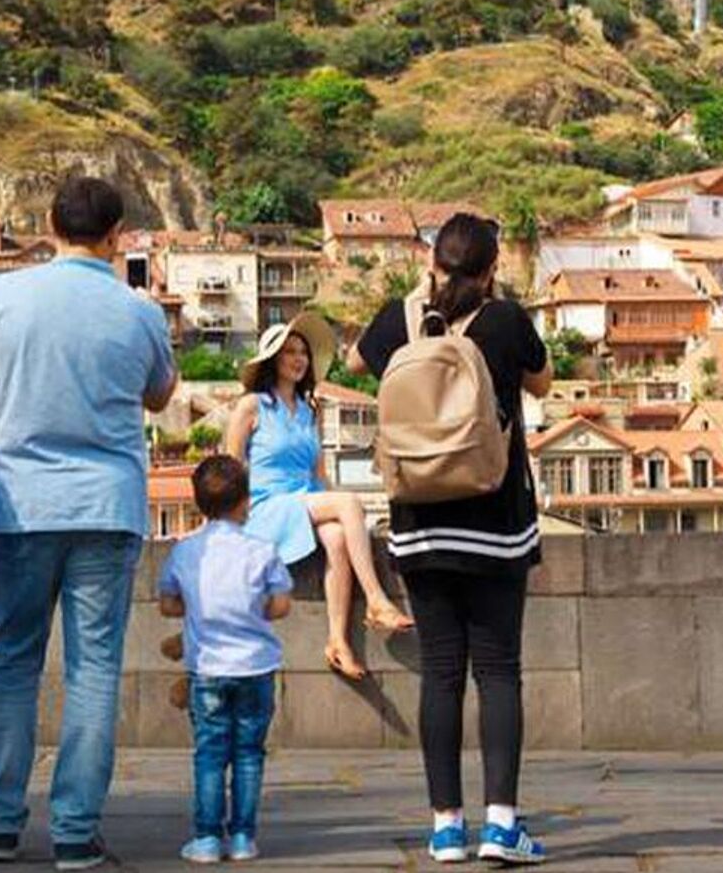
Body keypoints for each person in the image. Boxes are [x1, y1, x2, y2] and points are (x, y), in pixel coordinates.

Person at [0, 177, 179, 872]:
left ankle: (0, 825)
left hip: (19, 505)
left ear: (48, 225)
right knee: (94, 669)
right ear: (117, 236)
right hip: (107, 507)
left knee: (15, 661)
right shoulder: (138, 310)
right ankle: (76, 833)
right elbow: (161, 394)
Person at [348, 212, 552, 866]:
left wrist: (418, 301)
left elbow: (354, 360)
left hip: (420, 520)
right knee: (498, 670)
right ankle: (502, 826)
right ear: (493, 269)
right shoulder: (505, 320)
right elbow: (542, 382)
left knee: (440, 672)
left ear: (433, 263)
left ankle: (444, 828)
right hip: (496, 519)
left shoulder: (402, 319)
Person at [223, 313, 413, 682]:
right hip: (266, 504)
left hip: (304, 499)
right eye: (289, 352)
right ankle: (376, 599)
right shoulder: (252, 406)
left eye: (303, 353)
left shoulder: (310, 410)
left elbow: (319, 474)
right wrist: (224, 525)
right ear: (272, 360)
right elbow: (231, 469)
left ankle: (338, 642)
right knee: (349, 502)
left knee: (338, 537)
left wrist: (334, 513)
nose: (299, 359)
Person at [158, 455, 293, 866]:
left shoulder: (185, 551)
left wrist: (198, 608)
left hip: (207, 669)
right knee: (249, 752)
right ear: (245, 502)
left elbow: (167, 603)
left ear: (199, 503)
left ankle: (205, 838)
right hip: (256, 667)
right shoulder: (262, 549)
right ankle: (242, 838)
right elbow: (281, 605)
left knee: (210, 753)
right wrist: (253, 611)